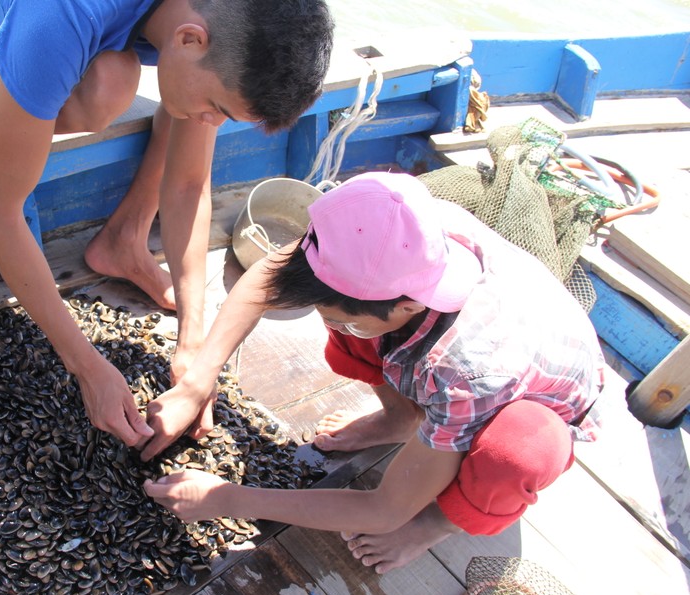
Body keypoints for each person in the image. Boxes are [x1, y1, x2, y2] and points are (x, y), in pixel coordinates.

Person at [0, 0, 335, 446]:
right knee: (108, 84)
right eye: (217, 107)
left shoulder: (217, 24)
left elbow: (188, 184)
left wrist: (193, 340)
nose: (212, 123)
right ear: (189, 37)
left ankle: (124, 239)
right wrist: (87, 365)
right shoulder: (63, 14)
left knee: (177, 104)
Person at [137, 171, 605, 574]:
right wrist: (198, 382)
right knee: (346, 316)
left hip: (539, 400)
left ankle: (435, 524)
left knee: (519, 451)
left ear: (408, 304)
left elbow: (382, 510)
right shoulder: (388, 229)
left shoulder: (466, 375)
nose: (334, 326)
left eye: (343, 319)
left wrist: (228, 499)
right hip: (481, 340)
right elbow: (270, 275)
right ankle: (398, 419)